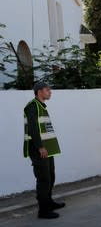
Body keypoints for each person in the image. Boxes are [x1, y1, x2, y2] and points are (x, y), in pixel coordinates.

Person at [24, 82, 65, 219]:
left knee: (51, 177)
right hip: (39, 150)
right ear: (39, 91)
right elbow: (33, 129)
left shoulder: (42, 106)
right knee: (43, 180)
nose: (50, 92)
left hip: (48, 150)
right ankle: (43, 210)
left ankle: (49, 202)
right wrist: (40, 147)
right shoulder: (32, 106)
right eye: (48, 90)